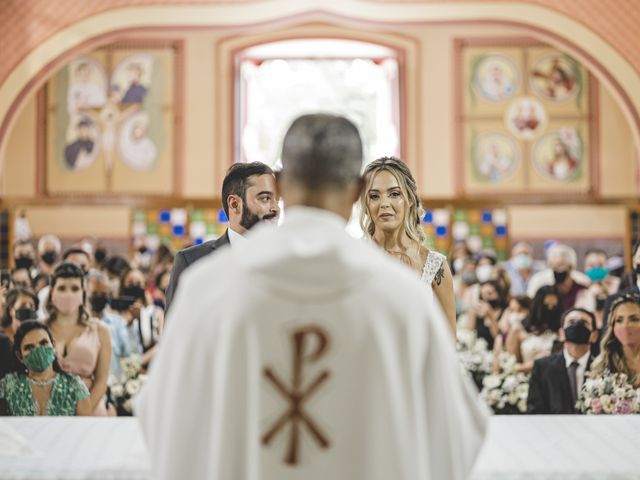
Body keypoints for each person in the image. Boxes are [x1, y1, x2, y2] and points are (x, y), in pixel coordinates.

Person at [137, 114, 487, 480]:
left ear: (283, 187)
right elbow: (455, 440)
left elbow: (163, 421)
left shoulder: (208, 287)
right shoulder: (403, 297)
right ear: (357, 193)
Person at [165, 161, 280, 312]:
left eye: (278, 200)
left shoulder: (284, 261)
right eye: (265, 198)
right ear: (234, 204)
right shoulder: (192, 262)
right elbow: (175, 332)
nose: (276, 209)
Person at [360, 156, 456, 334]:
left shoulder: (435, 266)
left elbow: (449, 343)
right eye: (374, 196)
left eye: (395, 194)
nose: (384, 204)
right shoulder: (352, 258)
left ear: (410, 199)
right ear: (366, 204)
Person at [46, 263, 111, 416]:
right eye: (62, 288)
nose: (68, 294)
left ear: (83, 293)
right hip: (47, 407)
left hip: (90, 407)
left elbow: (102, 380)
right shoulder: (39, 328)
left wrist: (84, 411)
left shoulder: (100, 330)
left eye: (75, 288)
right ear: (52, 292)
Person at [0, 321, 91, 416]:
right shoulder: (7, 387)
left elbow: (84, 429)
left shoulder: (75, 386)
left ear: (54, 345)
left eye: (43, 343)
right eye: (29, 347)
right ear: (19, 356)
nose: (38, 350)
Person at [527, 308, 598, 414]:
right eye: (571, 322)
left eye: (583, 323)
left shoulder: (603, 366)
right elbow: (535, 411)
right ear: (561, 334)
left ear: (594, 336)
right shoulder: (542, 367)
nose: (577, 326)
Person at [506, 285, 563, 373]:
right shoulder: (519, 328)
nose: (550, 310)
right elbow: (510, 364)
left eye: (554, 307)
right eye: (546, 305)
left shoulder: (562, 331)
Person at [589, 293, 640, 387]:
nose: (626, 326)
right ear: (612, 327)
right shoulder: (602, 365)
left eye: (634, 319)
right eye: (619, 320)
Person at [87, 270, 130, 379]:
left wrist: (131, 326)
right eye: (95, 293)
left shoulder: (118, 323)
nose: (99, 297)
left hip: (113, 384)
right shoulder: (77, 323)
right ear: (86, 292)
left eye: (104, 294)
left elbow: (129, 354)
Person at [119, 268, 162, 368]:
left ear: (144, 286)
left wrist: (139, 363)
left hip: (148, 368)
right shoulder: (115, 313)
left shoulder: (155, 312)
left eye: (138, 283)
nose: (134, 286)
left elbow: (163, 343)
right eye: (130, 282)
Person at [527, 243, 589, 309]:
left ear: (571, 267)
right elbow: (530, 305)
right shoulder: (539, 281)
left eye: (560, 266)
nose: (557, 270)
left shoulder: (582, 282)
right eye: (553, 266)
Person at [462, 280, 507, 350]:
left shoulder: (504, 311)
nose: (486, 298)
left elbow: (498, 337)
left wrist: (490, 315)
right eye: (483, 294)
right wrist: (472, 313)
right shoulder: (476, 311)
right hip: (479, 348)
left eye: (489, 294)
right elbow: (470, 332)